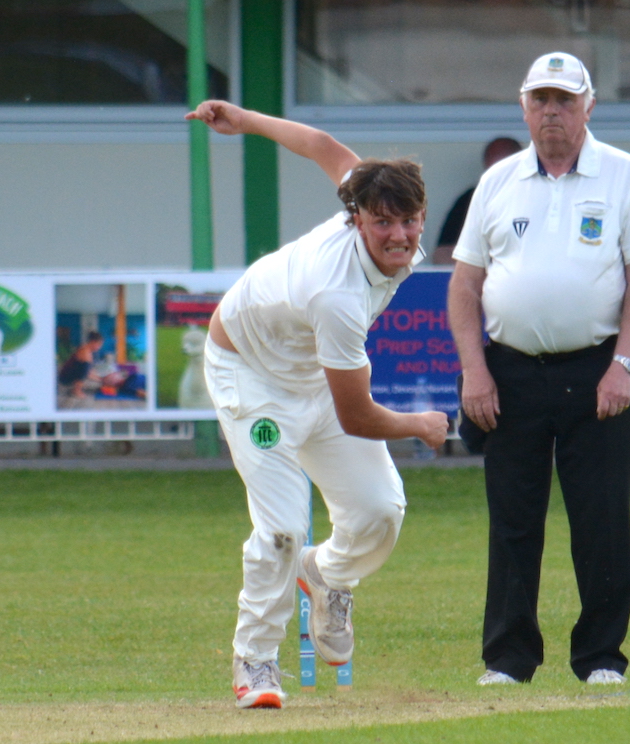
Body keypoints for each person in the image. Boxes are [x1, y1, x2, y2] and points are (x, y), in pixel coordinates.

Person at [185, 100, 449, 710]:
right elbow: (358, 415)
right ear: (357, 220)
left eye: (409, 222)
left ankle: (327, 574)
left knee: (381, 512)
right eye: (384, 224)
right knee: (281, 526)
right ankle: (256, 660)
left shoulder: (370, 197)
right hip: (250, 377)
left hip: (313, 376)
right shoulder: (336, 294)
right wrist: (420, 424)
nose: (400, 236)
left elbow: (322, 145)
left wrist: (243, 120)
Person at [447, 52, 630, 687]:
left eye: (564, 100)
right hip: (509, 373)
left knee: (601, 518)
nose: (552, 112)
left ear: (588, 106)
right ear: (523, 107)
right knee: (513, 521)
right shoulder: (498, 182)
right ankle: (508, 660)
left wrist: (623, 365)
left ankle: (601, 657)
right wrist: (474, 372)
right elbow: (465, 288)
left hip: (596, 369)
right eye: (540, 100)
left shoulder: (625, 175)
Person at [432, 137, 521, 265]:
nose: (499, 178)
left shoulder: (536, 198)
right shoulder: (470, 200)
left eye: (506, 171)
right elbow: (441, 255)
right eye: (493, 171)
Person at [57, 331, 104, 398]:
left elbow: (90, 370)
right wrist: (101, 380)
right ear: (93, 342)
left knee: (86, 366)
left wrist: (101, 378)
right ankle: (76, 391)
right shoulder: (84, 352)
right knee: (85, 366)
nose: (99, 347)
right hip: (65, 379)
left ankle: (76, 389)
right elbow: (87, 373)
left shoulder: (87, 349)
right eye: (99, 344)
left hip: (68, 375)